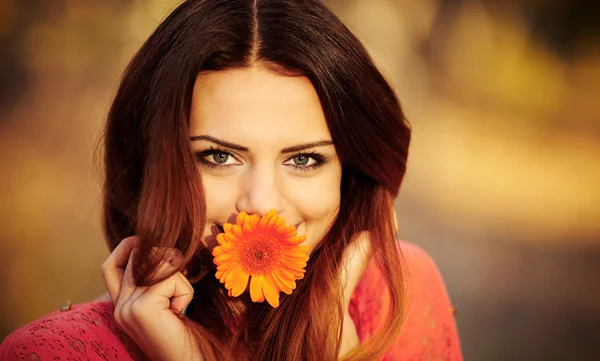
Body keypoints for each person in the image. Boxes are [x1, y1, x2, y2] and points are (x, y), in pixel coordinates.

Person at [0, 0, 462, 360]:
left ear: (351, 173)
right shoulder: (52, 353)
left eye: (303, 160)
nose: (261, 205)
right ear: (153, 165)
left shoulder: (397, 291)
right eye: (219, 156)